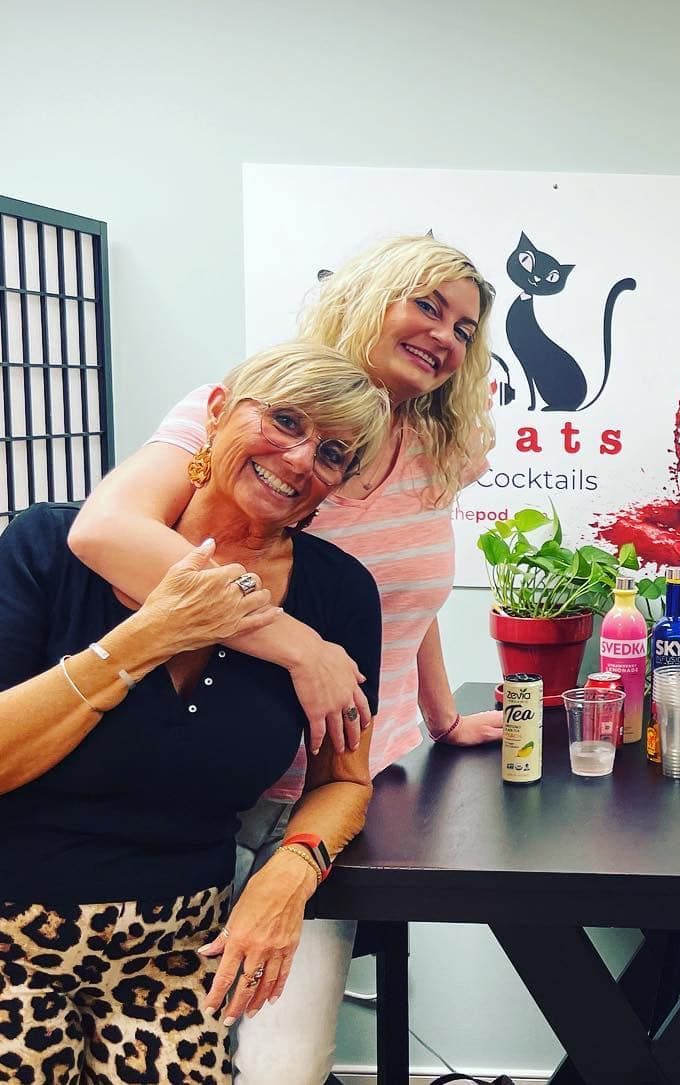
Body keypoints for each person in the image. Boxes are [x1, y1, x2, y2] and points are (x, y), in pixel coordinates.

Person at [66, 234, 499, 1082]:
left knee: (277, 1062)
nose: (445, 335)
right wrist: (298, 644)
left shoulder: (446, 450)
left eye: (464, 326)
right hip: (208, 779)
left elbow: (405, 597)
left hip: (335, 790)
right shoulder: (244, 407)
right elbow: (105, 533)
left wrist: (440, 717)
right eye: (427, 304)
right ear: (370, 296)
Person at [0, 343, 387, 1083]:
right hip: (11, 933)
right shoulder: (48, 546)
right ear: (215, 413)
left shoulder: (336, 594)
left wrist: (290, 871)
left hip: (179, 950)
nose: (301, 457)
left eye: (333, 452)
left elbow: (345, 776)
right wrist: (148, 636)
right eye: (283, 419)